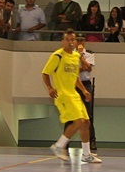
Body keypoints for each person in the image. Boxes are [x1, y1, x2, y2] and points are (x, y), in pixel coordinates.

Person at [42, 29, 101, 164]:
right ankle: (58, 146)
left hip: (74, 94)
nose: (70, 42)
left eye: (72, 40)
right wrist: (50, 88)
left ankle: (86, 154)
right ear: (63, 41)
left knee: (86, 122)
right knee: (78, 121)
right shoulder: (57, 56)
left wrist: (84, 91)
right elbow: (45, 73)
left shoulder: (75, 56)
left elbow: (75, 77)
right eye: (67, 40)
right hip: (62, 94)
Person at [75, 33, 97, 153]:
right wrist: (81, 66)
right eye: (77, 40)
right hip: (74, 84)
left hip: (86, 84)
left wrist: (80, 57)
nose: (79, 42)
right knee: (72, 114)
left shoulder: (89, 54)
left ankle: (92, 140)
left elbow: (88, 68)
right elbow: (72, 69)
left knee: (88, 114)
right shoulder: (71, 55)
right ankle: (66, 143)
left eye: (81, 40)